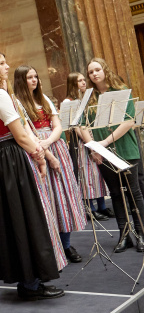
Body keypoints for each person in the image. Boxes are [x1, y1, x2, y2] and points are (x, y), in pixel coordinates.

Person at [0, 50, 64, 300]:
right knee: (26, 217)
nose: (7, 66)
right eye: (1, 63)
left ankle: (28, 281)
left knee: (14, 219)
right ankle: (32, 284)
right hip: (12, 157)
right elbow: (21, 134)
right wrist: (40, 155)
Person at [13, 66, 86, 263]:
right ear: (21, 80)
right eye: (29, 77)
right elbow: (25, 133)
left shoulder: (44, 99)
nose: (34, 80)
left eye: (35, 76)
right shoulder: (17, 103)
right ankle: (52, 247)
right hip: (35, 151)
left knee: (63, 197)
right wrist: (43, 149)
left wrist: (48, 141)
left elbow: (58, 125)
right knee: (47, 198)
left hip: (54, 144)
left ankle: (67, 244)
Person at [84, 58, 144, 253]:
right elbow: (83, 124)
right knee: (116, 194)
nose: (94, 74)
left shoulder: (120, 91)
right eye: (91, 71)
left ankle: (142, 233)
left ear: (105, 70)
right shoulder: (89, 98)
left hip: (125, 148)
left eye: (98, 70)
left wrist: (106, 142)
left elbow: (128, 122)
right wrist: (94, 148)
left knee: (134, 194)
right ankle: (124, 235)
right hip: (102, 153)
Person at [63, 72, 110, 222]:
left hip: (92, 137)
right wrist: (90, 145)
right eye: (79, 81)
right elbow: (76, 126)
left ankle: (102, 206)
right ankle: (91, 208)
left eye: (84, 80)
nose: (84, 83)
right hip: (81, 142)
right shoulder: (68, 101)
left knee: (98, 172)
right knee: (87, 174)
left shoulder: (86, 98)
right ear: (72, 84)